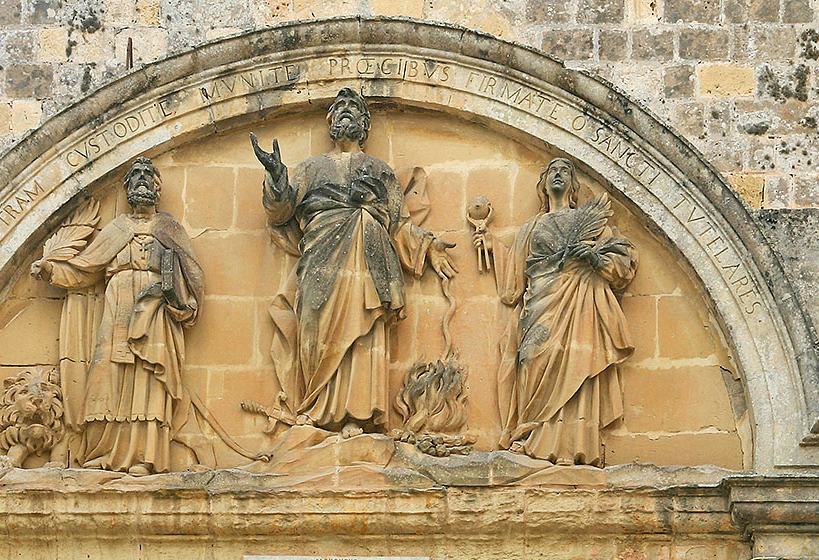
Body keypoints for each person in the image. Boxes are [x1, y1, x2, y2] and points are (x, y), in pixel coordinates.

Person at [251, 87, 457, 437]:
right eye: (340, 107)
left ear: (365, 124)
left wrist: (429, 246)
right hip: (320, 255)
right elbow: (281, 211)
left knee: (364, 328)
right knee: (313, 320)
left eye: (354, 107)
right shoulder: (311, 167)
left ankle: (356, 416)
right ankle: (314, 406)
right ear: (331, 120)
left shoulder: (378, 169)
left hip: (367, 259)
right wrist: (276, 177)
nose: (346, 111)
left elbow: (399, 225)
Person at [31, 157, 204, 475]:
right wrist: (51, 270)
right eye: (135, 175)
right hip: (117, 307)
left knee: (148, 379)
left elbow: (192, 273)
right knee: (106, 375)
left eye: (147, 175)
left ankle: (145, 457)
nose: (141, 180)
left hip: (154, 309)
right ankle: (103, 452)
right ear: (127, 188)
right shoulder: (117, 228)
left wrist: (181, 299)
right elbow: (85, 268)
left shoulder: (169, 228)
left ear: (157, 187)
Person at [477, 157, 637, 465]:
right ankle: (529, 433)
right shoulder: (532, 226)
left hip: (578, 300)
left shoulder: (589, 222)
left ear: (573, 185)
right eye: (553, 171)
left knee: (575, 362)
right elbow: (514, 280)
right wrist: (491, 245)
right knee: (530, 357)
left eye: (565, 171)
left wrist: (593, 258)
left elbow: (623, 256)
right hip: (539, 300)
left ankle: (568, 448)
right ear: (544, 184)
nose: (559, 175)